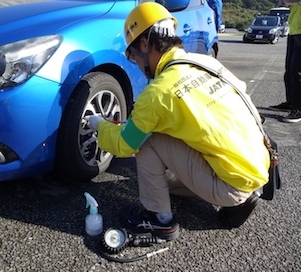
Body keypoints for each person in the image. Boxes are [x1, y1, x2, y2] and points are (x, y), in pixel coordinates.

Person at [86, 2, 270, 240]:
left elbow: (124, 145)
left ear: (145, 43)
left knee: (149, 141)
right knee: (167, 177)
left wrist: (98, 124)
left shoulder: (158, 92)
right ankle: (240, 196)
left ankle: (159, 221)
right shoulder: (206, 63)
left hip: (229, 184)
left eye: (132, 56)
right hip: (256, 166)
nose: (137, 65)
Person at [269, 0, 301, 122]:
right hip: (293, 31)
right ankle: (291, 103)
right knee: (289, 71)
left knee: (296, 72)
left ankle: (298, 109)